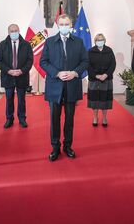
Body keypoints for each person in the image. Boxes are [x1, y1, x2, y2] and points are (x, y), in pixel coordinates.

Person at [40, 14, 89, 161]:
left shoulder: (79, 42)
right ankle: (55, 147)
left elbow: (85, 61)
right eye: (61, 24)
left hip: (72, 86)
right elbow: (43, 62)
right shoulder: (49, 42)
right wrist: (57, 73)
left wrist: (75, 73)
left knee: (69, 120)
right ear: (57, 24)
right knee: (54, 119)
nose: (64, 26)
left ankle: (68, 146)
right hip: (55, 87)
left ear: (71, 25)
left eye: (67, 24)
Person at [0, 24, 34, 128]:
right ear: (8, 32)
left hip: (22, 76)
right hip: (8, 76)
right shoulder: (2, 44)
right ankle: (9, 119)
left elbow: (30, 60)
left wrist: (21, 70)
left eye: (16, 30)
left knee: (21, 99)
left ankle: (22, 118)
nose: (14, 32)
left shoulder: (26, 44)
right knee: (9, 99)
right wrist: (9, 71)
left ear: (19, 31)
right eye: (12, 31)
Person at [87, 33, 116, 127]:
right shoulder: (90, 51)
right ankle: (95, 118)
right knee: (94, 100)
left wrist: (106, 74)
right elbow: (88, 65)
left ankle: (104, 118)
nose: (100, 41)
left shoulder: (109, 50)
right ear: (95, 41)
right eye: (98, 40)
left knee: (105, 100)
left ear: (104, 40)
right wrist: (96, 76)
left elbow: (113, 64)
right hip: (94, 79)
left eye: (101, 39)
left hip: (106, 79)